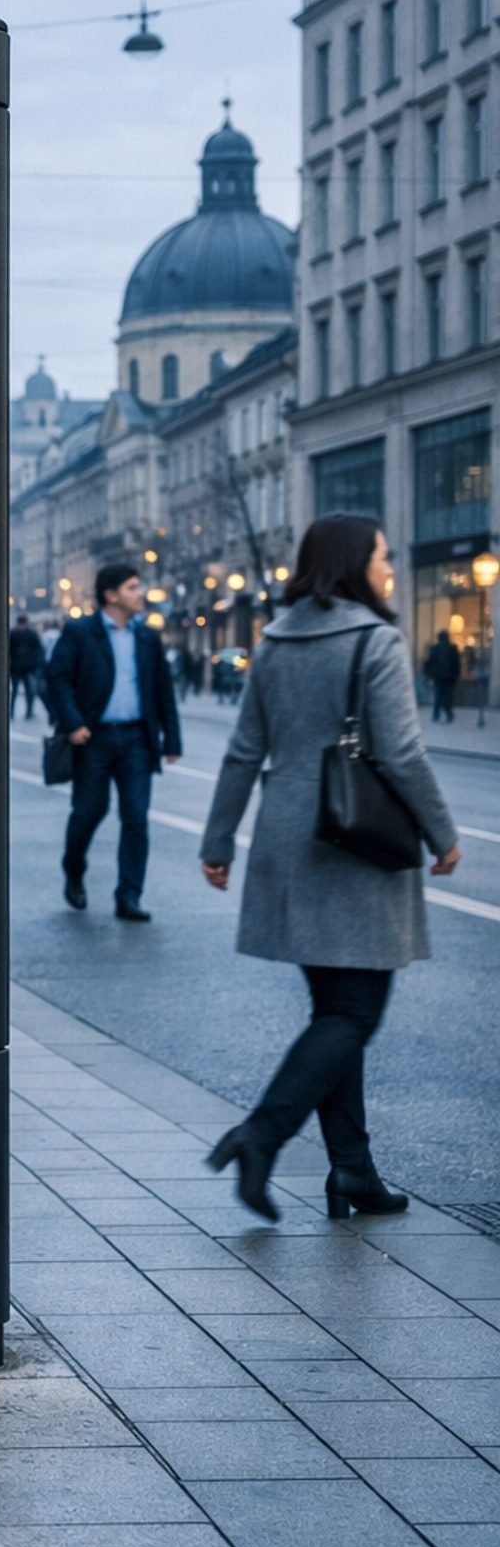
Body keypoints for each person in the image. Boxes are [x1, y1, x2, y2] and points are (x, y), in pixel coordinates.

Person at [199, 514, 460, 1222]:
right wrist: (443, 833)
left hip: (289, 841)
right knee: (353, 1014)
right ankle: (262, 1133)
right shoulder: (375, 640)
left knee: (334, 1011)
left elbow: (243, 751)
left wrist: (218, 840)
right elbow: (402, 753)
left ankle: (352, 1171)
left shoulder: (275, 641)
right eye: (382, 555)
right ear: (354, 563)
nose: (389, 568)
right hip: (356, 841)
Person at [46, 564, 182, 921]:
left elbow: (162, 690)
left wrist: (172, 740)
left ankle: (129, 895)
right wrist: (73, 723)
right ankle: (74, 871)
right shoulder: (81, 632)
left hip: (137, 738)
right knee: (90, 811)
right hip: (94, 738)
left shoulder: (146, 636)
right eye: (133, 587)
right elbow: (57, 678)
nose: (141, 593)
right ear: (112, 595)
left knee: (135, 817)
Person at [8, 614, 45, 720]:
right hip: (28, 667)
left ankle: (12, 712)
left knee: (15, 691)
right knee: (29, 691)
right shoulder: (32, 634)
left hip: (16, 667)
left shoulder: (13, 634)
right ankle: (28, 712)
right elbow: (38, 650)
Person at [423, 629, 461, 724]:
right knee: (448, 696)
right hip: (450, 678)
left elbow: (430, 661)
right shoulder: (452, 648)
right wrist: (456, 675)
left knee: (438, 695)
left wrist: (429, 673)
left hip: (439, 677)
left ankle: (436, 714)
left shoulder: (435, 648)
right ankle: (449, 714)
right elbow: (456, 664)